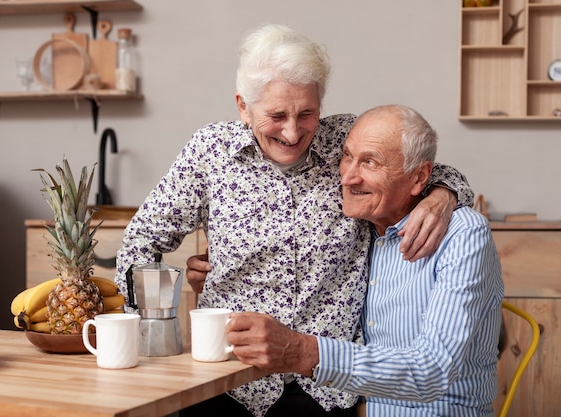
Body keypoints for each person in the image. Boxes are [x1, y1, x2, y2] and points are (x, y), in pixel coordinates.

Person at [115, 24, 474, 417]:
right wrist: (143, 329)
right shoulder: (210, 153)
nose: (292, 131)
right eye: (276, 115)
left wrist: (443, 195)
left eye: (307, 113)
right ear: (242, 106)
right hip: (227, 381)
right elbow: (140, 241)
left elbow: (432, 171)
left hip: (326, 388)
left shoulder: (345, 140)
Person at [226, 105, 504, 417]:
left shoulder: (463, 233)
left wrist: (302, 352)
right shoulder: (360, 229)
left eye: (370, 162)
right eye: (347, 156)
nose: (347, 176)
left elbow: (431, 372)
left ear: (420, 177)